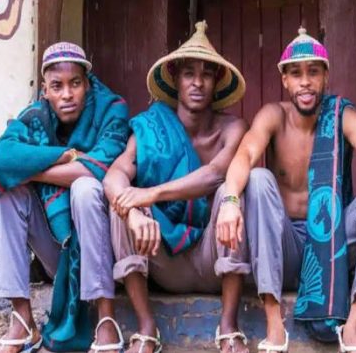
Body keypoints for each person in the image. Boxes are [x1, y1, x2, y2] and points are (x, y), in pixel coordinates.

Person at [219, 28, 356, 352]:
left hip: (334, 242)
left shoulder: (341, 115)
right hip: (283, 247)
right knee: (257, 180)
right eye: (296, 73)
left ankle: (354, 321)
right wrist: (230, 201)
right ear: (284, 80)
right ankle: (274, 320)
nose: (305, 82)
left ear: (325, 76)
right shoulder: (274, 116)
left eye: (313, 72)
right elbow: (244, 154)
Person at [104, 22, 250, 353]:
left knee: (239, 189)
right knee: (122, 202)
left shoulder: (233, 128)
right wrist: (133, 214)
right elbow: (114, 176)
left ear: (216, 84)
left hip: (215, 253)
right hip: (162, 255)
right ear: (175, 80)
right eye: (188, 73)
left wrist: (151, 194)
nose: (197, 82)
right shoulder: (151, 127)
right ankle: (146, 327)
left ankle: (228, 327)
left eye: (207, 74)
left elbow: (215, 174)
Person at [0, 42, 130, 353]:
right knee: (3, 187)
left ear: (88, 86)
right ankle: (23, 320)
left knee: (85, 187)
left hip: (107, 252)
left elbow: (98, 169)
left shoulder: (111, 110)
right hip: (58, 246)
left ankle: (106, 318)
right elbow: (0, 161)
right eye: (57, 86)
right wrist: (63, 157)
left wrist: (33, 168)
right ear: (45, 91)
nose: (67, 94)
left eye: (75, 84)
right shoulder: (36, 115)